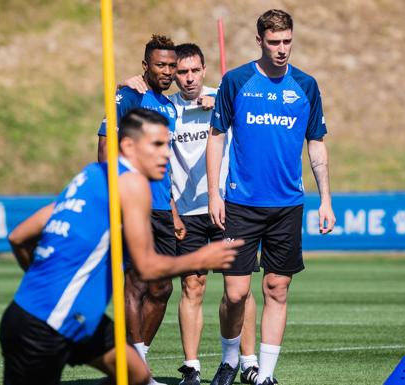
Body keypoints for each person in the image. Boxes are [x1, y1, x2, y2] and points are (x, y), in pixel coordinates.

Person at [0, 108, 242, 385]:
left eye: (168, 144)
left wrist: (42, 281)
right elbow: (147, 267)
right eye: (157, 145)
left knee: (136, 375)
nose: (166, 154)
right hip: (43, 327)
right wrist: (201, 259)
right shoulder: (132, 183)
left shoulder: (92, 175)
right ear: (128, 145)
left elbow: (18, 237)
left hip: (71, 318)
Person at [206, 10, 336, 385]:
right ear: (259, 40)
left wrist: (325, 199)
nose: (282, 50)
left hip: (287, 206)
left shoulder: (306, 86)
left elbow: (317, 144)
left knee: (277, 288)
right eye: (275, 42)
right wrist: (215, 192)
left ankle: (265, 375)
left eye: (287, 42)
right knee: (235, 293)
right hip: (241, 204)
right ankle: (230, 360)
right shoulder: (236, 81)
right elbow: (216, 136)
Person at [125, 43, 261, 385]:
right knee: (192, 286)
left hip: (229, 206)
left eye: (193, 71)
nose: (187, 78)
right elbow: (134, 104)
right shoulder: (166, 107)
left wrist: (222, 106)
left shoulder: (223, 97)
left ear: (204, 69)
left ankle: (248, 361)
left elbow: (256, 121)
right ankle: (192, 366)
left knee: (239, 290)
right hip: (186, 213)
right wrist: (130, 83)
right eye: (181, 72)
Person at [97, 35, 178, 385]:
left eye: (171, 65)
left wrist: (173, 208)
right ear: (145, 65)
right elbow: (105, 145)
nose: (168, 71)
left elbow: (168, 164)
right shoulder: (126, 96)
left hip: (162, 206)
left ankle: (134, 364)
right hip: (132, 201)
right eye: (160, 64)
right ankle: (136, 371)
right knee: (136, 283)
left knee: (162, 288)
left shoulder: (170, 105)